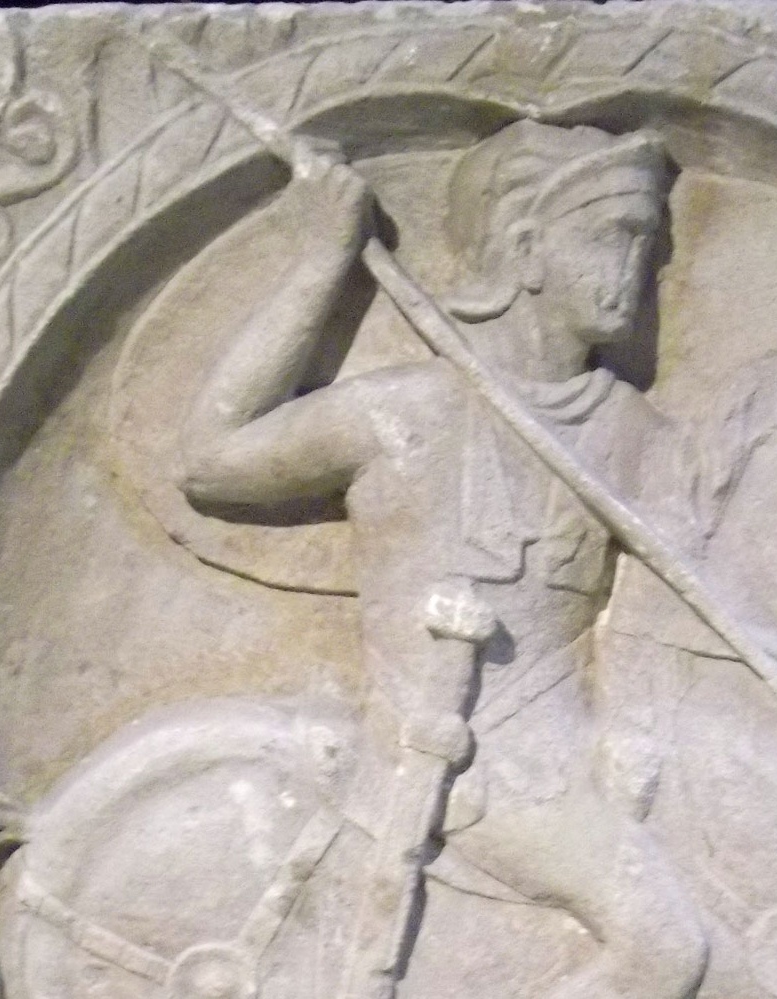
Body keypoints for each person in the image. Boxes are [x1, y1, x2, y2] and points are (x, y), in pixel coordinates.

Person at [178, 120, 707, 999]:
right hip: (464, 763)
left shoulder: (637, 438)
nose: (636, 270)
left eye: (648, 244)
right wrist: (321, 259)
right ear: (527, 250)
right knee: (664, 945)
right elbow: (209, 462)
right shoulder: (406, 415)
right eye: (611, 235)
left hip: (586, 760)